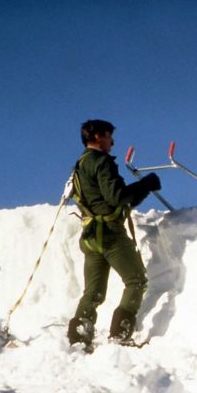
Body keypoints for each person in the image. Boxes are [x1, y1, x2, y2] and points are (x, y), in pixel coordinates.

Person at [67, 119, 160, 348]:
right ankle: (119, 335)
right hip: (110, 234)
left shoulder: (80, 165)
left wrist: (140, 191)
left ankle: (79, 338)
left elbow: (109, 199)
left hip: (90, 236)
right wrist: (146, 185)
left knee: (94, 291)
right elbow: (117, 197)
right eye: (108, 135)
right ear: (97, 136)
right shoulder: (101, 162)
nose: (112, 141)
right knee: (136, 281)